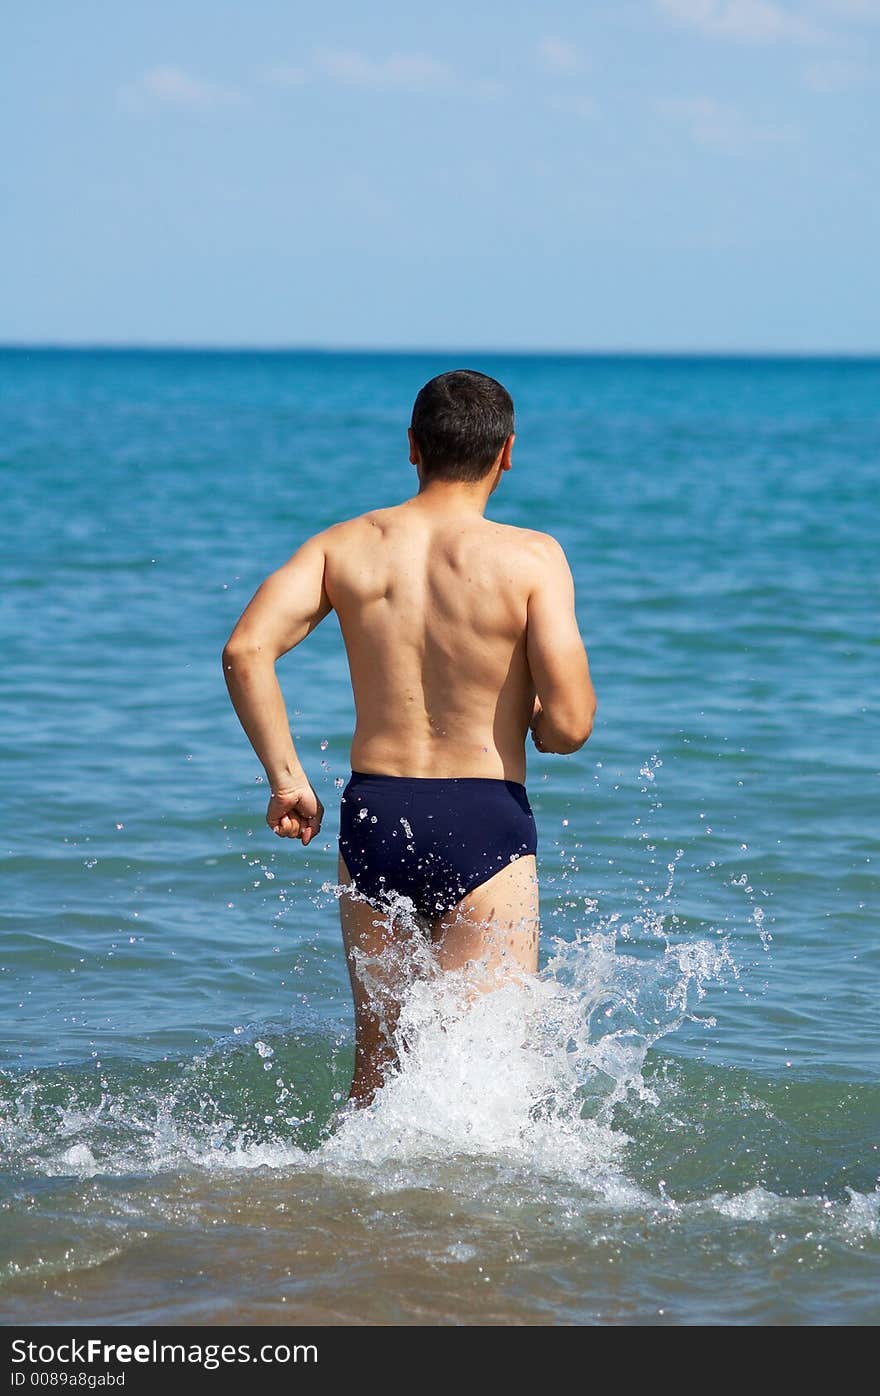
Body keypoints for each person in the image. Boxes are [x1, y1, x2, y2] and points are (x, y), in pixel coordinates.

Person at [222, 369, 596, 1104]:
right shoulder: (531, 558)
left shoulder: (343, 547)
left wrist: (288, 779)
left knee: (377, 1070)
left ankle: (347, 1212)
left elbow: (245, 651)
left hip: (374, 819)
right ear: (507, 454)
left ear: (412, 449)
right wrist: (539, 728)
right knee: (494, 1077)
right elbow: (572, 723)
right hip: (484, 818)